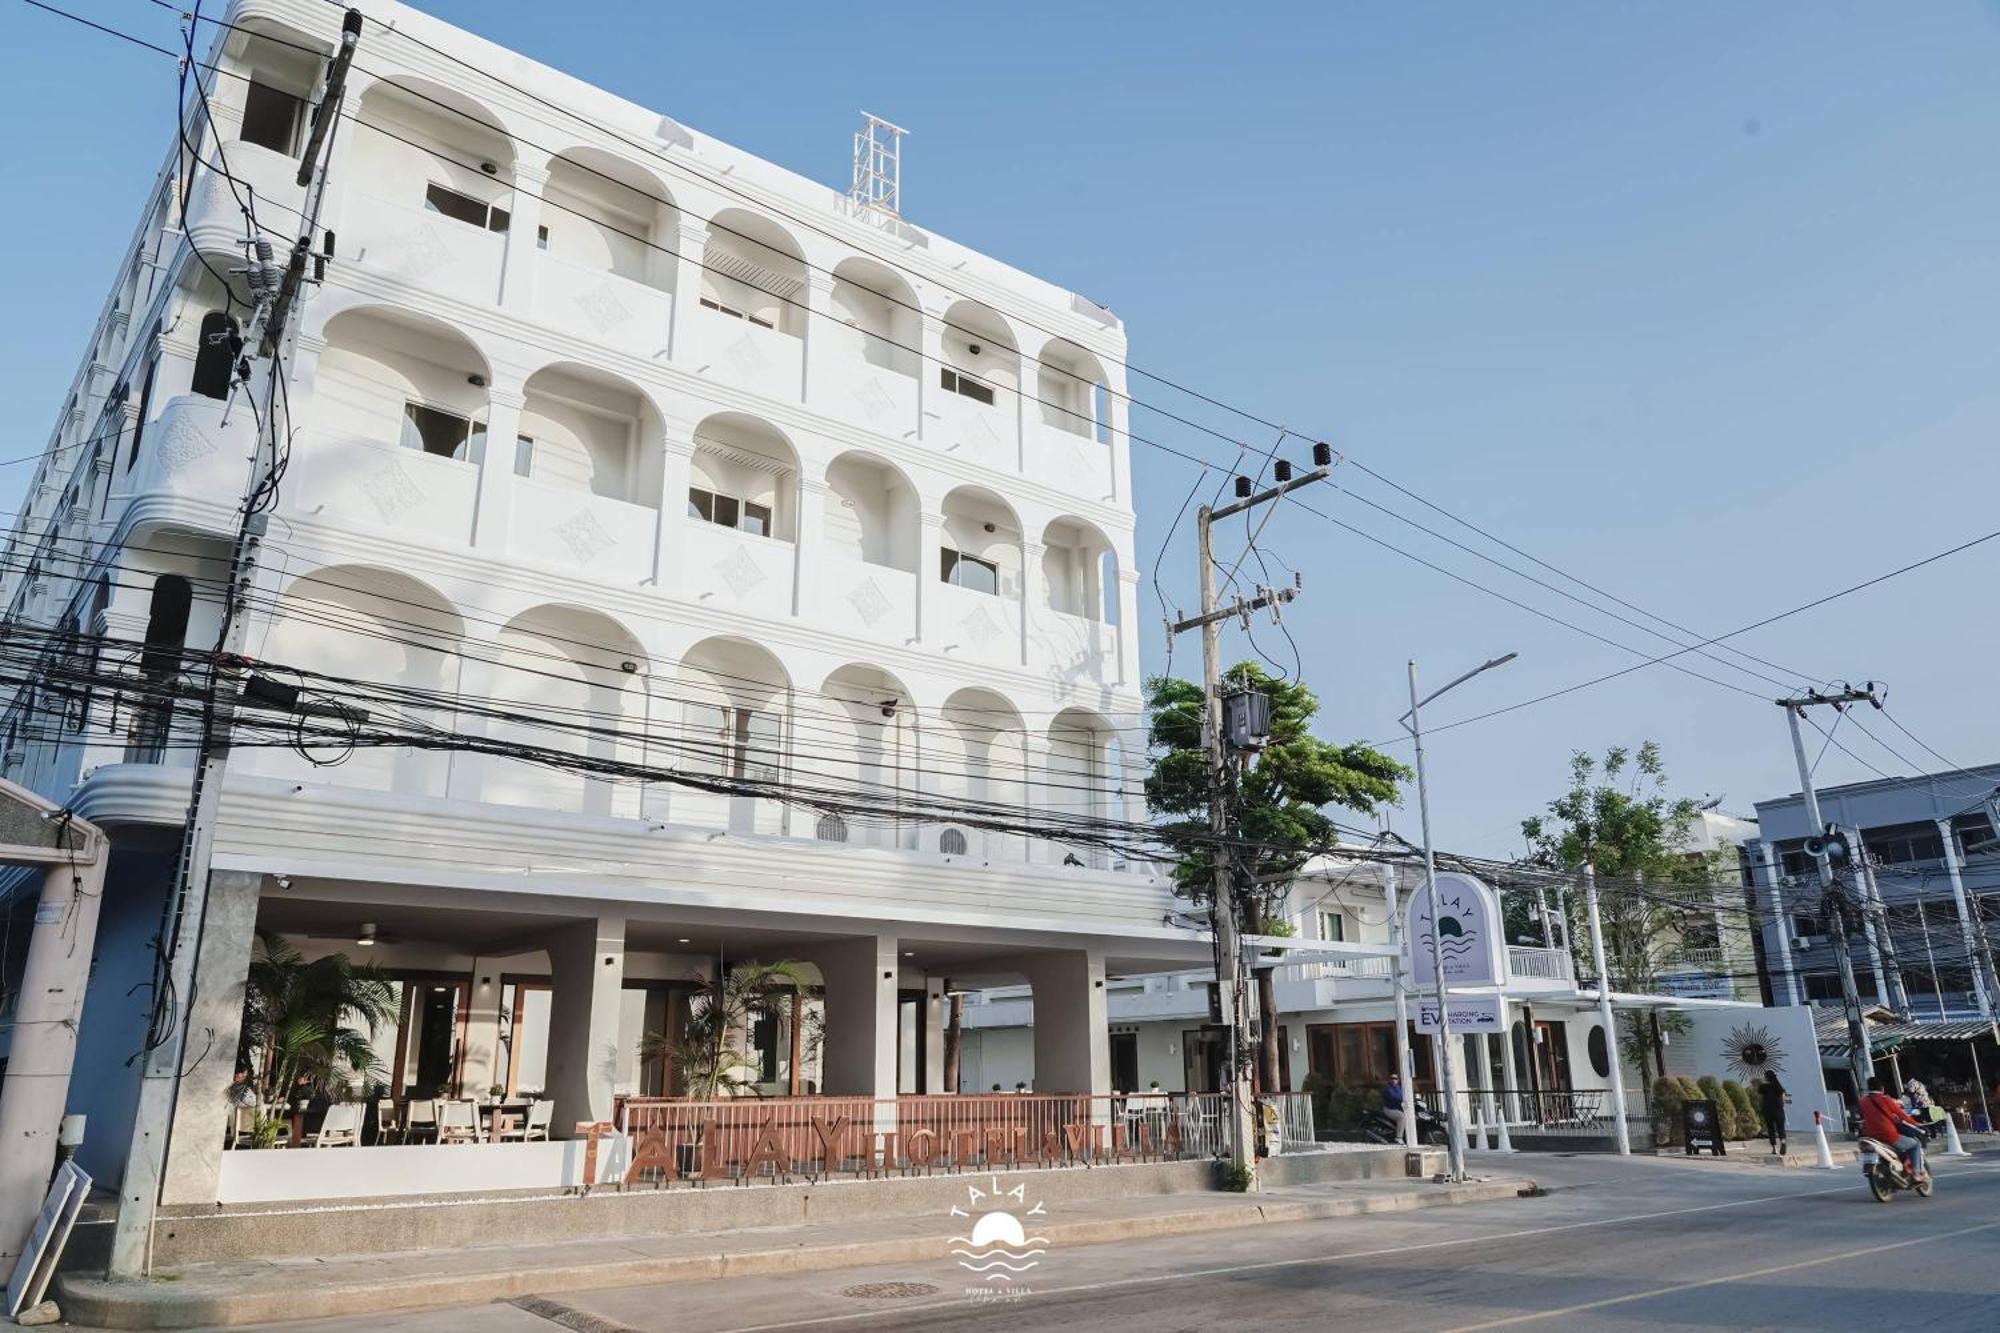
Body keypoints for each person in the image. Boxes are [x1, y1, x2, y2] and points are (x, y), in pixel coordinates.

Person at [1859, 1076, 1927, 1180]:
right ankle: (1916, 1173)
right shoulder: (1885, 1099)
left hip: (1871, 1135)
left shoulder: (1863, 1101)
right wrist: (1917, 1124)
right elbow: (1902, 1115)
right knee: (1915, 1144)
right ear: (1882, 1088)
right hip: (1888, 1135)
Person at [1758, 1070, 1789, 1155]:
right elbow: (1783, 1100)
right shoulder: (1779, 1087)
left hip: (1768, 1111)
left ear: (1767, 1078)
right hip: (1778, 1110)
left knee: (1771, 1129)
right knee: (1781, 1129)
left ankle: (1774, 1149)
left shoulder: (1763, 1087)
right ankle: (1783, 1142)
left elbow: (1760, 1094)